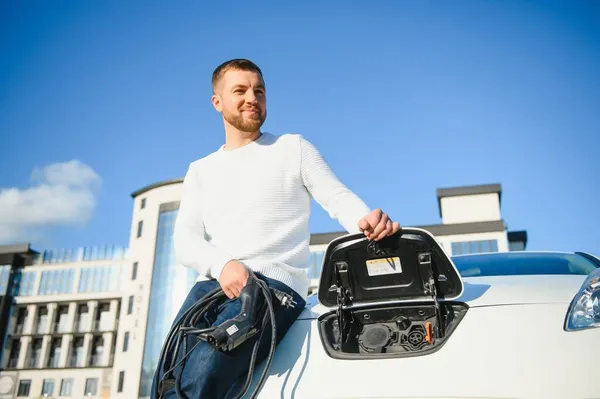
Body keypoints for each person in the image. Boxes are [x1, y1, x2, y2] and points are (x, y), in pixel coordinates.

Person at [151, 58, 400, 398]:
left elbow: (337, 197)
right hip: (208, 290)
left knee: (199, 382)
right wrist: (224, 266)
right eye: (240, 90)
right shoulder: (200, 170)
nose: (252, 97)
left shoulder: (292, 148)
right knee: (165, 383)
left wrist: (365, 220)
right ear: (217, 102)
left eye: (259, 90)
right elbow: (185, 241)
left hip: (271, 289)